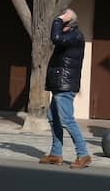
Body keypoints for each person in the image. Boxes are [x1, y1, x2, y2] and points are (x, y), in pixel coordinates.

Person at [39, 9, 91, 169]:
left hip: (65, 85)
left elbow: (55, 38)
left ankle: (83, 154)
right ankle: (56, 153)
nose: (59, 24)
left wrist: (59, 19)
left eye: (62, 22)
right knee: (53, 117)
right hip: (59, 83)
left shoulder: (75, 35)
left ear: (68, 24)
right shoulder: (70, 36)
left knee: (66, 120)